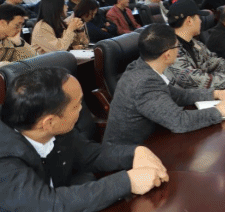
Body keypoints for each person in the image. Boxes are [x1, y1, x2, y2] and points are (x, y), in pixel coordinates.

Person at [0, 67, 169, 211]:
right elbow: (48, 204)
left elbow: (92, 155)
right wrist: (128, 182)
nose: (81, 109)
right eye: (76, 105)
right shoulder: (5, 158)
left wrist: (136, 152)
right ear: (49, 122)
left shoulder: (55, 130)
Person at [103, 24, 225, 146]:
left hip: (152, 140)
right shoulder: (144, 82)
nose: (179, 51)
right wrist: (218, 111)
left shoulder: (143, 66)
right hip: (128, 155)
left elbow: (178, 95)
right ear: (167, 55)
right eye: (177, 47)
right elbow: (178, 121)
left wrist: (215, 93)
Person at [165, 0, 225, 90]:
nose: (201, 21)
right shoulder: (171, 50)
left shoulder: (196, 44)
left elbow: (214, 62)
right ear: (189, 21)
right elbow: (197, 81)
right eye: (198, 17)